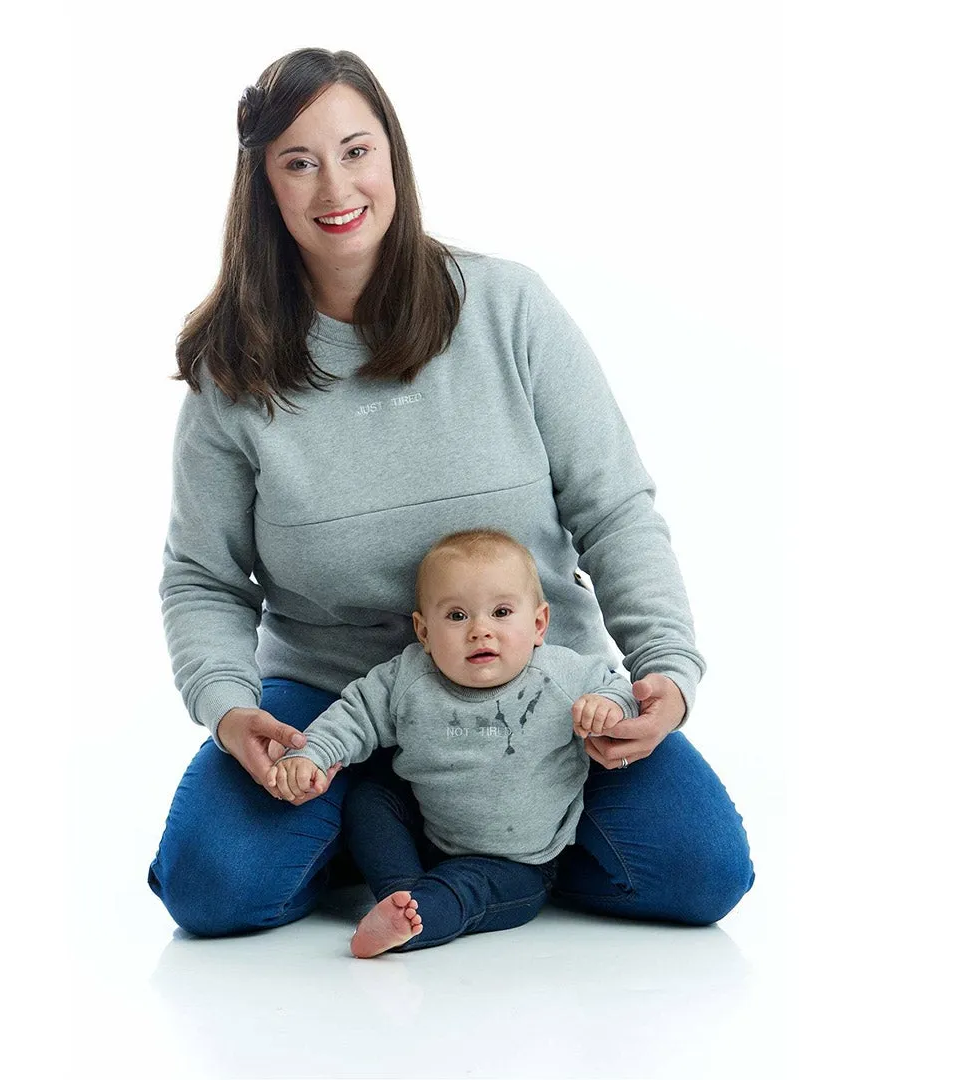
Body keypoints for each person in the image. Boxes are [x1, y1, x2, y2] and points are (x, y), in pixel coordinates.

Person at [148, 47, 754, 939]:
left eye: (356, 151)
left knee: (701, 873)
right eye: (299, 162)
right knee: (213, 888)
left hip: (539, 696)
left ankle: (451, 844)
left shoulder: (508, 309)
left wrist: (665, 669)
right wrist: (230, 708)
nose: (334, 188)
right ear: (264, 187)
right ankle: (390, 816)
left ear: (392, 155)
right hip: (331, 702)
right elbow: (202, 579)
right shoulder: (233, 370)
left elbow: (613, 507)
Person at [268, 530, 640, 957]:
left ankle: (418, 919)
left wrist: (608, 706)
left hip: (515, 863)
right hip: (429, 834)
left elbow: (623, 691)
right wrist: (312, 753)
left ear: (538, 624)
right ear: (424, 632)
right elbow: (353, 716)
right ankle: (401, 894)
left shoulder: (562, 676)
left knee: (466, 892)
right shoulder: (407, 679)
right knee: (369, 799)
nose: (481, 631)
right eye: (458, 617)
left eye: (501, 612)